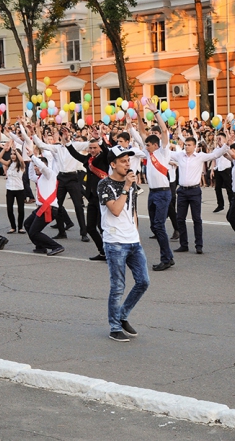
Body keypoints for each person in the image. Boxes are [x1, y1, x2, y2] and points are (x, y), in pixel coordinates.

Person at [98, 146, 149, 342]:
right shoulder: (104, 185)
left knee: (143, 281)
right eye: (123, 161)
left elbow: (132, 211)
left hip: (132, 241)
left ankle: (122, 315)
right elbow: (117, 210)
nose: (128, 164)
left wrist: (137, 236)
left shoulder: (133, 184)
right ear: (113, 164)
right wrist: (126, 187)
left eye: (128, 161)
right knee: (118, 286)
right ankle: (114, 327)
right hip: (115, 242)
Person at [168, 124, 229, 255]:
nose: (186, 147)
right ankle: (183, 244)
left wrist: (225, 144)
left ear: (194, 146)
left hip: (195, 191)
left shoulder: (200, 156)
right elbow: (167, 153)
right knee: (180, 218)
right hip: (182, 191)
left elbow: (215, 154)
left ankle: (199, 245)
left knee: (197, 219)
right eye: (185, 145)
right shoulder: (180, 155)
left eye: (189, 145)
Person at [23, 123, 89, 242]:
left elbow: (89, 144)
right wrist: (33, 133)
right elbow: (41, 145)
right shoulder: (57, 147)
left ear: (70, 134)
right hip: (61, 178)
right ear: (59, 135)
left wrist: (97, 136)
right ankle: (61, 231)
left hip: (73, 177)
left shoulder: (75, 145)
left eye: (66, 132)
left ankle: (84, 233)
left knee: (78, 206)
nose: (64, 134)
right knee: (57, 205)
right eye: (62, 132)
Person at [130, 106, 175, 270]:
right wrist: (139, 115)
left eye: (148, 144)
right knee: (154, 226)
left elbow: (163, 129)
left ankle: (167, 258)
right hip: (153, 193)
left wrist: (156, 112)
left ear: (155, 145)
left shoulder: (163, 151)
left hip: (163, 193)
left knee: (159, 226)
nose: (145, 146)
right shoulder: (149, 153)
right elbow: (142, 133)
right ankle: (168, 256)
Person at [66, 129, 110, 260]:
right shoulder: (87, 160)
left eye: (94, 148)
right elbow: (74, 154)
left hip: (103, 198)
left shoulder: (103, 157)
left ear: (99, 148)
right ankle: (102, 251)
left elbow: (107, 151)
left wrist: (100, 139)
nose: (92, 150)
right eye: (90, 148)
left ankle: (110, 252)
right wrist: (67, 142)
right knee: (90, 227)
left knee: (103, 227)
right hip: (91, 197)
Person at [24, 154, 65, 256]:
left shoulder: (49, 174)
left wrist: (33, 156)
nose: (35, 168)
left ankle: (56, 246)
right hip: (41, 208)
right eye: (34, 166)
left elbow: (42, 167)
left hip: (49, 208)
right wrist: (31, 162)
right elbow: (30, 175)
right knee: (27, 224)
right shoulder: (40, 178)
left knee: (34, 231)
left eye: (36, 166)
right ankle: (40, 246)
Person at [0, 142, 26, 234]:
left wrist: (16, 150)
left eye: (14, 154)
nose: (12, 156)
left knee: (20, 209)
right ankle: (13, 227)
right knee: (9, 209)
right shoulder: (9, 163)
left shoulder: (21, 165)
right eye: (11, 154)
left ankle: (20, 227)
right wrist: (4, 149)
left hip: (19, 189)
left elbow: (22, 161)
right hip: (10, 189)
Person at [212, 132, 233, 213]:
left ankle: (232, 204)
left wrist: (223, 145)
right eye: (217, 139)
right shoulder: (215, 149)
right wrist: (213, 169)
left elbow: (229, 154)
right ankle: (220, 205)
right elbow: (214, 159)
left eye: (220, 138)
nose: (218, 140)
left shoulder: (227, 147)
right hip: (218, 169)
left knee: (229, 188)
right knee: (217, 188)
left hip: (226, 169)